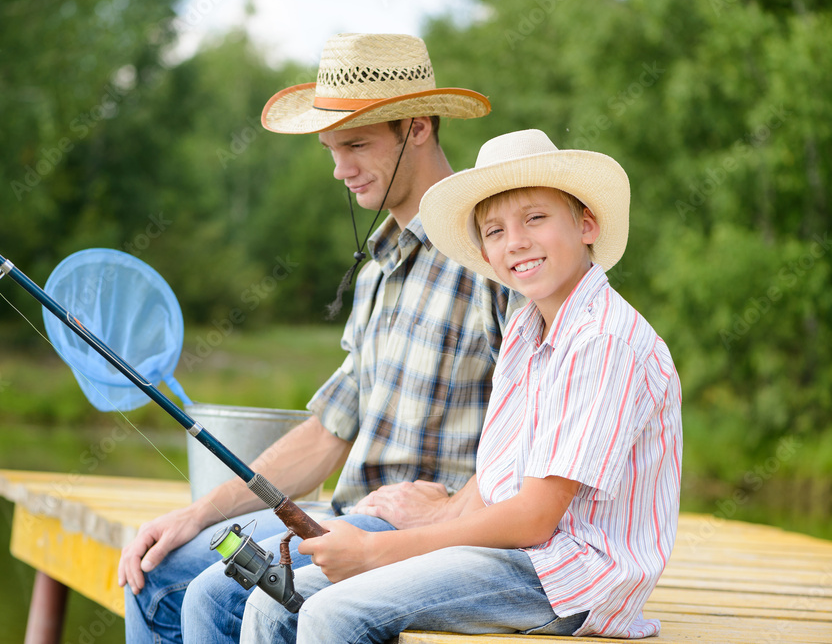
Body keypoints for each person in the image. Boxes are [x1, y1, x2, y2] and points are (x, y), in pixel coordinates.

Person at [119, 33, 521, 643]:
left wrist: (448, 510)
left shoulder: (495, 252)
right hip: (342, 515)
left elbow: (540, 427)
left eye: (356, 144)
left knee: (218, 597)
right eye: (331, 149)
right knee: (157, 572)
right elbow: (328, 432)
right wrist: (196, 513)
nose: (340, 169)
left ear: (417, 127)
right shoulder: (377, 272)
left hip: (428, 532)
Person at [240, 129, 683, 642]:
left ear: (587, 223)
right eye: (494, 231)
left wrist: (376, 552)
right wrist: (413, 527)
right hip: (514, 556)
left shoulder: (603, 340)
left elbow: (536, 518)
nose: (515, 241)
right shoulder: (528, 328)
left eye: (535, 218)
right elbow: (503, 477)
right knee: (275, 603)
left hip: (570, 578)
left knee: (332, 613)